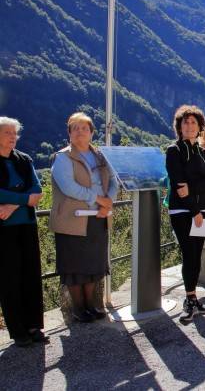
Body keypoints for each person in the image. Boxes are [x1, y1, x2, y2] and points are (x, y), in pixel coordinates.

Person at [49, 112, 118, 323]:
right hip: (73, 220)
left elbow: (115, 179)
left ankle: (91, 306)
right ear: (69, 133)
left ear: (91, 132)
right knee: (74, 266)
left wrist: (109, 201)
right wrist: (98, 198)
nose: (80, 132)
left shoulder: (100, 156)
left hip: (98, 217)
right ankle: (78, 309)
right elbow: (69, 187)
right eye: (75, 128)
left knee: (93, 266)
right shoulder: (62, 157)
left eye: (84, 128)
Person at [165, 105, 205, 323]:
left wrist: (193, 189)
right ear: (179, 126)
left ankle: (194, 299)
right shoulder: (173, 151)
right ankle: (189, 298)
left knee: (198, 253)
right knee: (189, 254)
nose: (190, 125)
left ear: (199, 126)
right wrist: (195, 210)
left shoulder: (203, 151)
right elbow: (178, 183)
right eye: (185, 122)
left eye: (194, 122)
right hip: (183, 211)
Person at [0, 117, 46, 347]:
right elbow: (29, 196)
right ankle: (17, 330)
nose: (12, 137)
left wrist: (13, 203)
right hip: (4, 229)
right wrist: (23, 199)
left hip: (26, 225)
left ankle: (33, 325)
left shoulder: (24, 160)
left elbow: (37, 192)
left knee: (30, 274)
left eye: (14, 133)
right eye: (7, 132)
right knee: (9, 278)